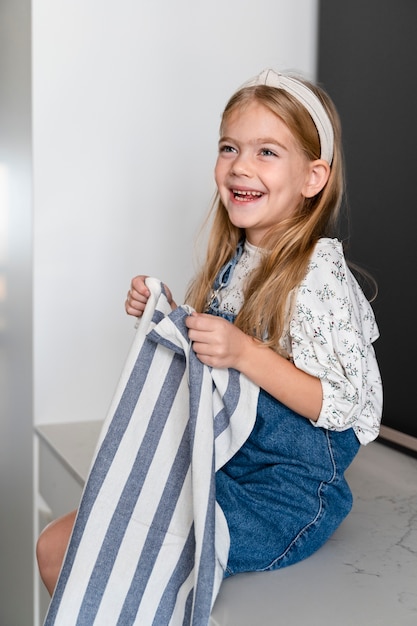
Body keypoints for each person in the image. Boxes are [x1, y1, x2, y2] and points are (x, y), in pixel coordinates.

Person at [37, 69, 382, 595]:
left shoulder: (318, 274)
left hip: (283, 500)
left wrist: (242, 352)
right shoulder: (240, 262)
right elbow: (219, 370)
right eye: (229, 147)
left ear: (314, 178)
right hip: (226, 467)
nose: (241, 165)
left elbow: (339, 404)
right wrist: (171, 315)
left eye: (267, 151)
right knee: (54, 544)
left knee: (73, 549)